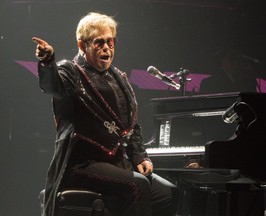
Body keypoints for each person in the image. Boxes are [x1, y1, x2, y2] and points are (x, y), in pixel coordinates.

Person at [32, 12, 178, 216]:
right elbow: (52, 86)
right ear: (82, 46)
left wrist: (139, 155)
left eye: (110, 41)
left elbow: (131, 125)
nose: (107, 48)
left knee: (169, 192)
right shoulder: (70, 71)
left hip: (117, 162)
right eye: (99, 42)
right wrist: (48, 63)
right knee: (138, 185)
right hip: (83, 164)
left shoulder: (119, 77)